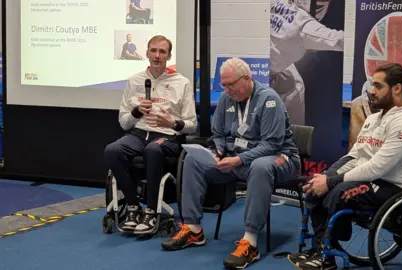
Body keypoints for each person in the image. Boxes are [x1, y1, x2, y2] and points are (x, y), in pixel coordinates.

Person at [288, 63, 402, 270]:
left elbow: (377, 167)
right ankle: (322, 251)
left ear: (397, 89)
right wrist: (325, 177)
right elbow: (356, 155)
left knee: (337, 191)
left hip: (396, 187)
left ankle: (325, 252)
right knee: (315, 187)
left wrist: (330, 183)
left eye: (377, 86)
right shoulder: (374, 118)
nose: (370, 91)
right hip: (374, 179)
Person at [161, 57, 301, 269]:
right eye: (223, 85)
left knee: (260, 166)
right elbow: (218, 133)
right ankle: (193, 228)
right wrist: (217, 151)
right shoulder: (227, 99)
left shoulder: (269, 99)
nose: (226, 90)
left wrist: (238, 159)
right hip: (239, 160)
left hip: (281, 158)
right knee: (193, 160)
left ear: (246, 78)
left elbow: (271, 145)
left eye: (230, 84)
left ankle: (251, 241)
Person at [104, 35, 197, 235]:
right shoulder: (134, 80)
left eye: (162, 52)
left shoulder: (182, 82)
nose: (157, 56)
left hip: (166, 136)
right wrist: (137, 112)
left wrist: (173, 122)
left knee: (153, 149)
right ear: (146, 53)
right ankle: (132, 207)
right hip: (138, 133)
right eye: (153, 51)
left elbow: (192, 125)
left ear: (169, 55)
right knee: (112, 151)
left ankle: (151, 211)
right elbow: (123, 122)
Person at [270, 0, 344, 125]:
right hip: (264, 72)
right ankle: (295, 135)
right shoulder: (305, 26)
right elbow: (338, 40)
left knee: (295, 81)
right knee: (296, 88)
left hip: (250, 57)